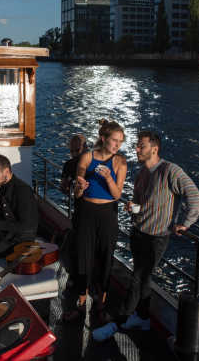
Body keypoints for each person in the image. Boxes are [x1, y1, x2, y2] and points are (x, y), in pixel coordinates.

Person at [93, 130, 199, 341]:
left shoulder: (171, 171)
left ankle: (118, 322)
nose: (136, 149)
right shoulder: (143, 173)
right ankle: (142, 318)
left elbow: (194, 195)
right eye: (137, 145)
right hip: (139, 232)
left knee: (138, 278)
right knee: (142, 280)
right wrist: (133, 207)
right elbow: (143, 204)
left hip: (157, 237)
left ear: (154, 148)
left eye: (141, 146)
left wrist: (185, 223)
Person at [69, 120, 127, 318]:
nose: (117, 145)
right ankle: (81, 300)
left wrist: (109, 178)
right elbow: (76, 194)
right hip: (86, 211)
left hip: (107, 214)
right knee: (83, 255)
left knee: (105, 256)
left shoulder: (120, 162)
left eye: (120, 141)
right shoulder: (86, 157)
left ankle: (101, 300)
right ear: (104, 139)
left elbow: (117, 194)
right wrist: (80, 187)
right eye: (114, 140)